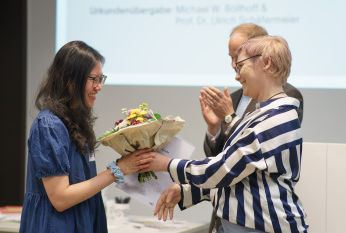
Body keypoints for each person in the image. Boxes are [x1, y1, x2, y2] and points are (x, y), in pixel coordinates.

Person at [140, 36, 308, 233]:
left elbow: (222, 170)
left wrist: (166, 163)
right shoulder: (267, 115)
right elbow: (242, 180)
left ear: (266, 63)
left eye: (240, 66)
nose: (236, 76)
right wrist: (188, 191)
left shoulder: (274, 118)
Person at [19, 41, 154, 233]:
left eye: (101, 79)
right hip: (55, 225)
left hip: (81, 220)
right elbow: (60, 198)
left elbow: (79, 183)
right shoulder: (49, 125)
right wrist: (117, 170)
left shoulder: (74, 122)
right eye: (93, 79)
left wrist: (121, 167)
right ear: (70, 80)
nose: (99, 87)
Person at [199, 24, 304, 232]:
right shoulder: (236, 96)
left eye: (239, 59)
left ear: (263, 58)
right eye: (231, 58)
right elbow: (218, 157)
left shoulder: (287, 97)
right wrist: (214, 129)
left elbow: (256, 152)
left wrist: (229, 118)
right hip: (226, 211)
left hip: (257, 218)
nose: (234, 66)